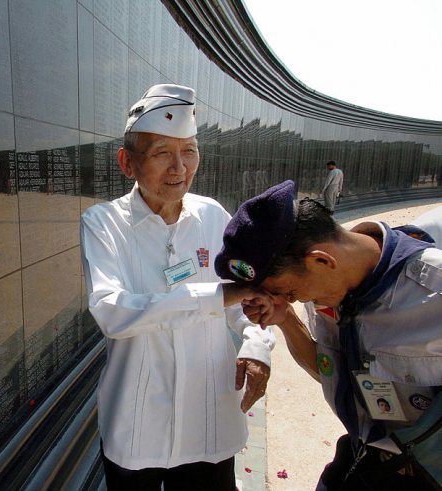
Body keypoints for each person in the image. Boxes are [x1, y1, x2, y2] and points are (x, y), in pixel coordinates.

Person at [80, 84, 276, 490]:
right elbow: (112, 310)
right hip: (136, 425)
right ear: (126, 162)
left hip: (208, 419)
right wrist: (215, 297)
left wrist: (257, 347)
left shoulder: (213, 216)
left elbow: (248, 301)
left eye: (189, 152)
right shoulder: (104, 224)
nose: (179, 168)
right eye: (161, 154)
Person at [214, 180, 442, 490]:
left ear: (321, 260)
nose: (295, 301)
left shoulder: (433, 293)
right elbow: (328, 371)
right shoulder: (331, 283)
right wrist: (287, 320)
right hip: (366, 458)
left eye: (291, 293)